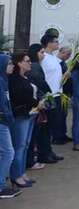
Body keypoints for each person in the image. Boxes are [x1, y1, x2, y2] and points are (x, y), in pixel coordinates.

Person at [8, 53, 39, 189]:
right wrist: (38, 102)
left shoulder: (24, 77)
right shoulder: (14, 80)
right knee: (19, 146)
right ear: (19, 63)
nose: (30, 63)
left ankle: (21, 172)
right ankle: (16, 176)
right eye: (27, 61)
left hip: (29, 114)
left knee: (25, 145)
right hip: (21, 115)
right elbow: (21, 97)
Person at [27, 44, 60, 164]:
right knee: (43, 130)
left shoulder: (37, 65)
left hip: (45, 98)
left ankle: (48, 152)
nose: (43, 55)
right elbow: (41, 83)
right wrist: (48, 93)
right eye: (41, 53)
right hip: (41, 101)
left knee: (47, 129)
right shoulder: (35, 66)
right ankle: (44, 154)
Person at [0, 53, 20, 199]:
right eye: (9, 64)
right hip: (2, 121)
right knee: (9, 153)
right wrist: (9, 117)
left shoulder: (4, 80)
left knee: (5, 153)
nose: (12, 66)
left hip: (5, 120)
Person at [39, 34, 64, 145]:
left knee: (54, 123)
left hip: (58, 94)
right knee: (46, 125)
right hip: (48, 95)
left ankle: (49, 151)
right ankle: (44, 152)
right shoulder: (43, 57)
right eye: (56, 41)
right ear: (49, 43)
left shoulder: (54, 58)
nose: (58, 43)